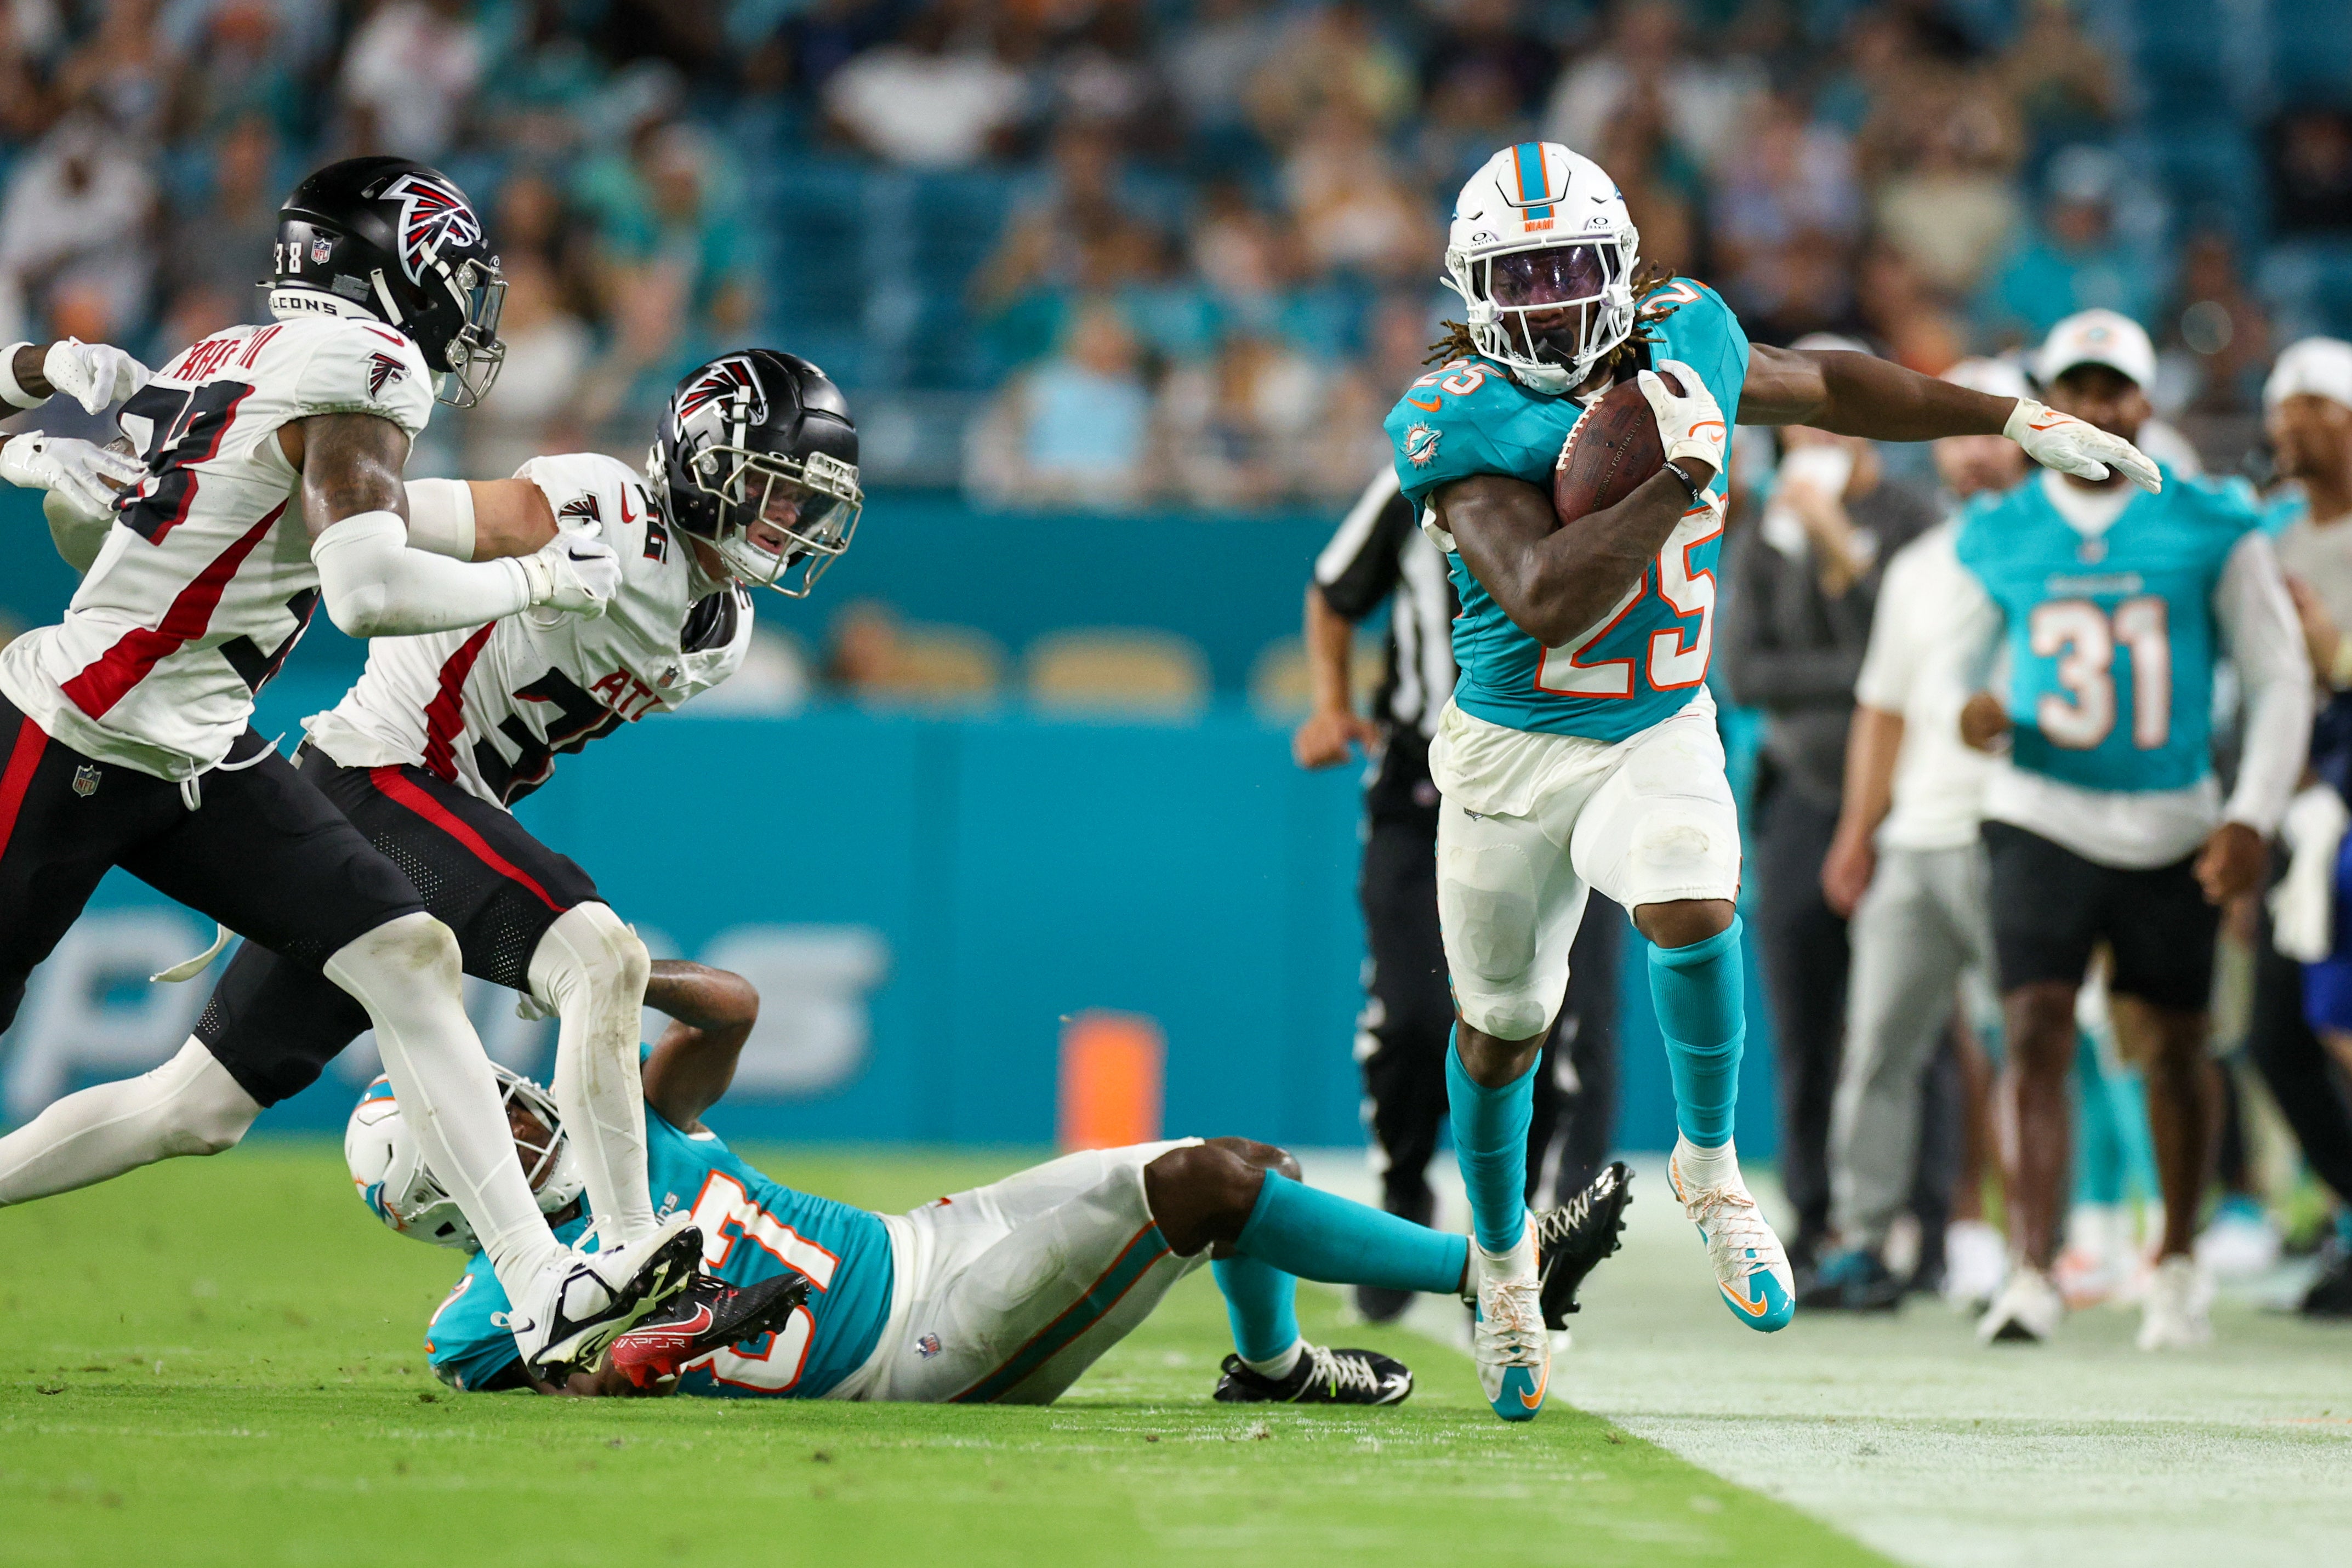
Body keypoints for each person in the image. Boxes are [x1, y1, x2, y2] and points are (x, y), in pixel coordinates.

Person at [1384, 140, 2158, 1421]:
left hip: (1656, 724)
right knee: (1500, 1028)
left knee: (1694, 901)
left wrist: (2008, 416)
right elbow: (1544, 597)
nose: (1549, 300)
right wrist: (1683, 471)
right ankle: (1503, 1262)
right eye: (1518, 277)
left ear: (1622, 265)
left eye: (1572, 267)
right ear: (1472, 289)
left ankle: (1707, 1166)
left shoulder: (1688, 331)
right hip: (1512, 749)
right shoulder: (1452, 413)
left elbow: (1830, 389)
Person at [0, 344, 860, 1365]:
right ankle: (629, 1257)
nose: (785, 526)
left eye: (802, 506)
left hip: (419, 812)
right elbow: (398, 513)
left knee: (198, 1108)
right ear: (700, 461)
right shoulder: (603, 507)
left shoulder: (723, 630)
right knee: (601, 957)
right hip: (382, 777)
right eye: (767, 490)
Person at [358, 961, 1637, 1405]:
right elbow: (549, 1381)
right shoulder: (485, 1310)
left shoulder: (622, 1128)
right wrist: (619, 1369)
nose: (512, 1109)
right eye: (474, 1121)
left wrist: (610, 972)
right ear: (443, 1194)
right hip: (912, 1346)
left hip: (922, 1242)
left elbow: (737, 1012)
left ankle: (1274, 1367)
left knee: (1257, 1168)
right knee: (1207, 1188)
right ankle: (1492, 1276)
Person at [1952, 310, 2311, 1349]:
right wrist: (1969, 706)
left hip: (2168, 817)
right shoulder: (2004, 525)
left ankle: (2179, 1260)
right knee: (2031, 1027)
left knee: (2173, 1044)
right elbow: (1955, 659)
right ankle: (2030, 1267)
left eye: (2118, 391)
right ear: (2053, 404)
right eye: (2082, 390)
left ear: (2146, 404)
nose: (2101, 410)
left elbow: (2280, 672)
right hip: (2041, 809)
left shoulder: (2209, 518)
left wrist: (2251, 813)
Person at [1295, 465, 1631, 1328]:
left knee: (1554, 1025)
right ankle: (1406, 1189)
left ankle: (1512, 1241)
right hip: (1422, 784)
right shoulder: (1423, 460)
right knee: (1410, 1016)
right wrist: (1331, 703)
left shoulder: (1598, 460)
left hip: (1560, 775)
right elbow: (1335, 590)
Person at [1809, 357, 2032, 1311]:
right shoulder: (1917, 566)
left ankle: (2037, 1244)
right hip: (1917, 837)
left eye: (1994, 434)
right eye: (1964, 434)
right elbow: (1882, 711)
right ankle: (1864, 1241)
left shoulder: (2056, 550)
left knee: (2030, 1045)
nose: (1977, 454)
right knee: (1879, 1046)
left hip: (2021, 828)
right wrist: (1860, 828)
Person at [1716, 337, 1939, 1274]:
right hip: (1803, 796)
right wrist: (1855, 680)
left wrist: (1842, 551)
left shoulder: (1914, 520)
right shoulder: (1762, 526)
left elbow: (1910, 663)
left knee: (1905, 1023)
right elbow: (1745, 670)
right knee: (1805, 1023)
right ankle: (1813, 1221)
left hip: (1904, 797)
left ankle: (1922, 1224)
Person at [2249, 335, 2352, 1315]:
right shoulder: (2269, 532)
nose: (2295, 426)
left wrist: (2339, 651)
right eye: (2286, 408)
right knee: (2277, 1033)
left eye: (2317, 406)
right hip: (2299, 815)